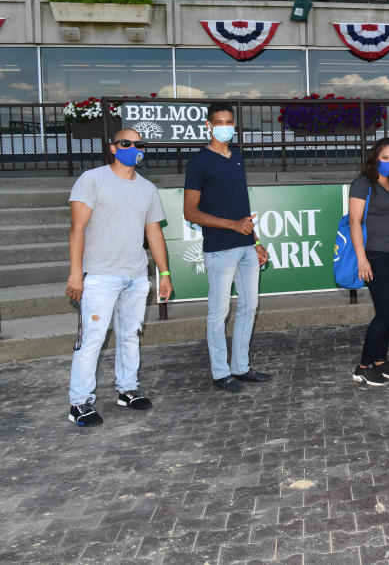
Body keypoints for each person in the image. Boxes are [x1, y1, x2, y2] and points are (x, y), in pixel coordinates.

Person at [66, 128, 173, 426]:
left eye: (138, 144)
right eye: (126, 143)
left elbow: (154, 232)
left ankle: (127, 390)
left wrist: (163, 274)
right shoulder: (92, 180)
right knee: (92, 341)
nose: (133, 147)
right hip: (99, 275)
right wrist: (76, 273)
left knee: (130, 336)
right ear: (112, 148)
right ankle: (79, 403)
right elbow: (77, 229)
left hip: (136, 276)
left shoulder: (147, 188)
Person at [184, 103, 271, 393]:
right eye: (219, 122)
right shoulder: (198, 163)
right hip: (220, 248)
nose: (225, 126)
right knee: (219, 311)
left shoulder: (237, 157)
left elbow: (241, 206)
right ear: (208, 125)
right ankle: (220, 373)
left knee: (250, 307)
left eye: (229, 121)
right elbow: (190, 213)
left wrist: (255, 241)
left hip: (246, 245)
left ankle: (241, 368)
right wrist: (233, 226)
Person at [348, 138, 389, 387]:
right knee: (384, 314)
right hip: (375, 254)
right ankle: (363, 367)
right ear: (375, 157)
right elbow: (354, 222)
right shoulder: (362, 183)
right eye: (385, 157)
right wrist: (362, 259)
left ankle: (381, 361)